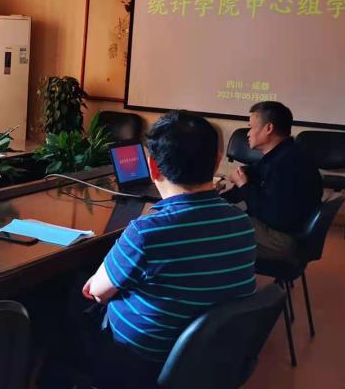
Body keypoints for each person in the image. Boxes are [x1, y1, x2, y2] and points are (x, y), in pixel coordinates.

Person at [56, 111, 257, 388]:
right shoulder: (243, 223)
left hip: (140, 362)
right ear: (216, 161)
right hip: (210, 359)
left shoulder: (146, 232)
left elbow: (97, 293)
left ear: (153, 167)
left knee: (62, 299)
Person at [222, 101, 323, 262]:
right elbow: (258, 173)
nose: (248, 134)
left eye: (251, 127)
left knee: (213, 222)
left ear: (268, 128)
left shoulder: (285, 164)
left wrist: (244, 185)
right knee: (221, 212)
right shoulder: (285, 153)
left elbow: (272, 216)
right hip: (285, 230)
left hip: (282, 240)